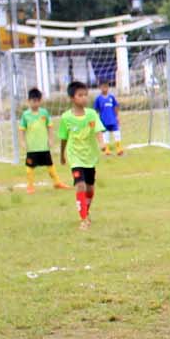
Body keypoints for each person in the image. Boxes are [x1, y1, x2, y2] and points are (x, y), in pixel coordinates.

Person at [57, 81, 105, 229]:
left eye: (85, 95)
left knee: (90, 188)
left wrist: (102, 143)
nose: (84, 98)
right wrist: (62, 155)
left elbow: (98, 130)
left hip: (89, 157)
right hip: (75, 156)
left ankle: (86, 211)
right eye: (80, 95)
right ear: (72, 98)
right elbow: (64, 138)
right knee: (80, 185)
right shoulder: (66, 118)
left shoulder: (91, 114)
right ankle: (83, 219)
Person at [20, 88, 68, 193]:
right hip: (32, 148)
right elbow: (22, 129)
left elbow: (50, 126)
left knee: (50, 166)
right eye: (33, 101)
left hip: (44, 146)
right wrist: (22, 141)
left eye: (37, 101)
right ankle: (30, 186)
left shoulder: (44, 113)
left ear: (40, 101)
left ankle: (57, 183)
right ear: (28, 101)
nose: (35, 103)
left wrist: (51, 139)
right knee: (29, 168)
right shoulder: (25, 115)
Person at [94, 79, 124, 157]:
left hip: (113, 119)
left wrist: (117, 116)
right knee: (105, 134)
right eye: (103, 87)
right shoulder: (98, 99)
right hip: (104, 120)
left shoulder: (111, 97)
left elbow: (116, 106)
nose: (105, 88)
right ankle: (107, 149)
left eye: (106, 87)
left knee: (117, 133)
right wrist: (96, 119)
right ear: (100, 87)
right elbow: (96, 110)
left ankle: (119, 148)